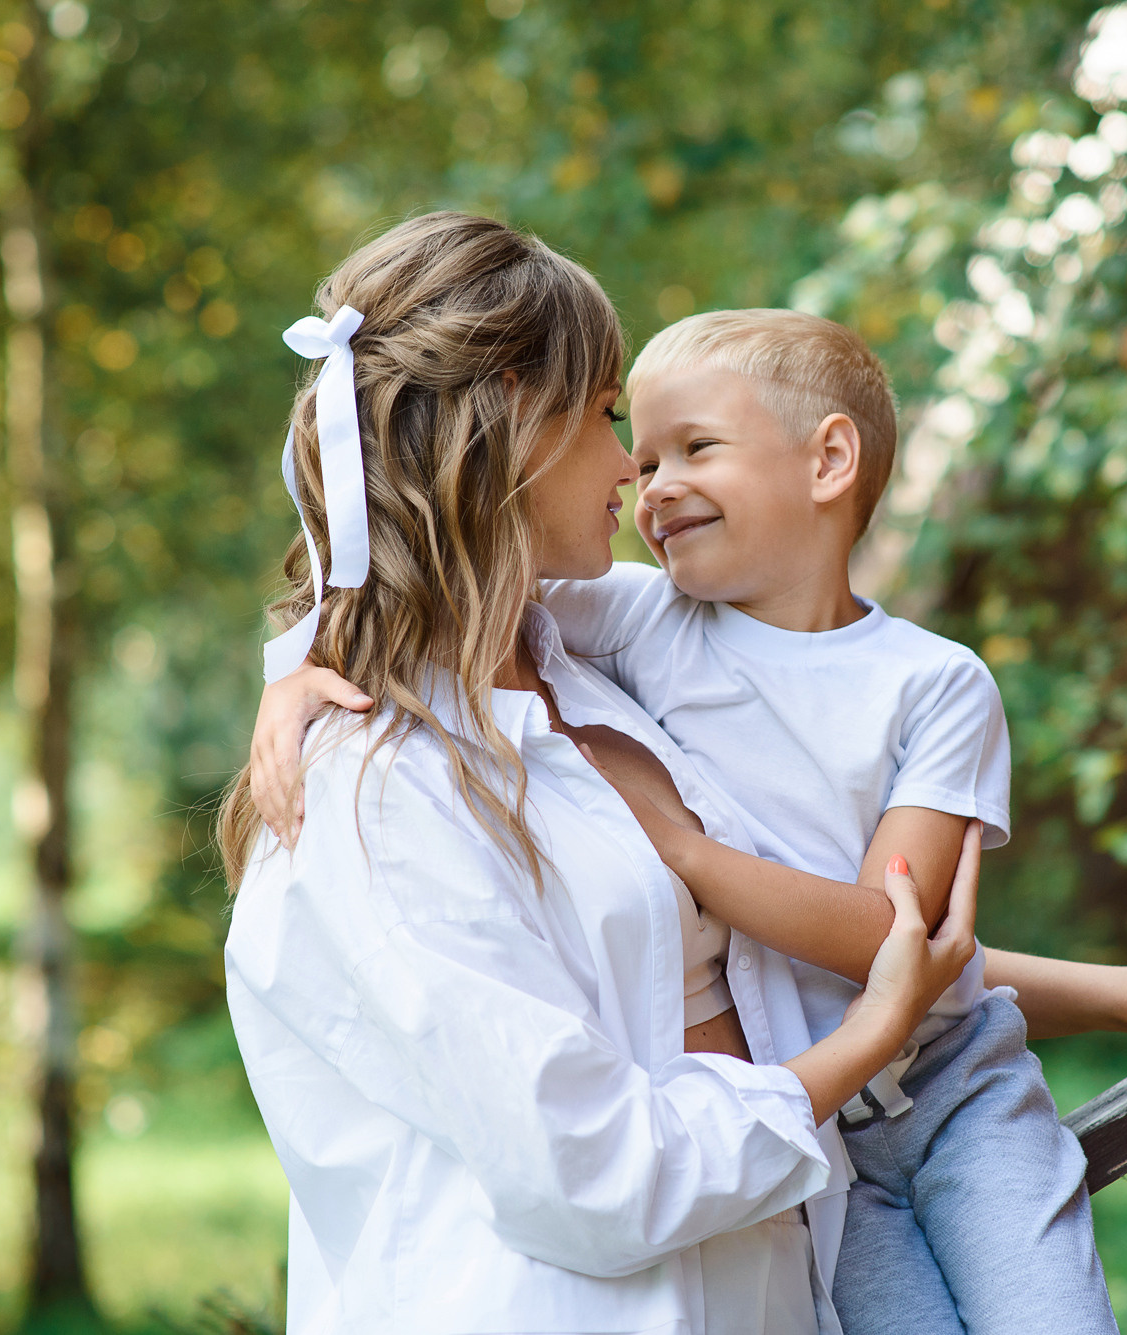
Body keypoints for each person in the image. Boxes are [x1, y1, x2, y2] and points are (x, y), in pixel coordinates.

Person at [254, 302, 1127, 1331]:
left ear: (826, 463)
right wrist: (301, 665)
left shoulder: (907, 684)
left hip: (932, 1102)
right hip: (811, 1155)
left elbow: (897, 948)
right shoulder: (625, 634)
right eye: (620, 427)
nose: (640, 474)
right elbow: (423, 580)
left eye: (686, 446)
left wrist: (684, 854)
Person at [218, 211, 985, 1335]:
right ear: (512, 432)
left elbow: (827, 945)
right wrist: (864, 1047)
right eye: (603, 414)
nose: (631, 462)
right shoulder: (371, 789)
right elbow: (596, 1174)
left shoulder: (597, 674)